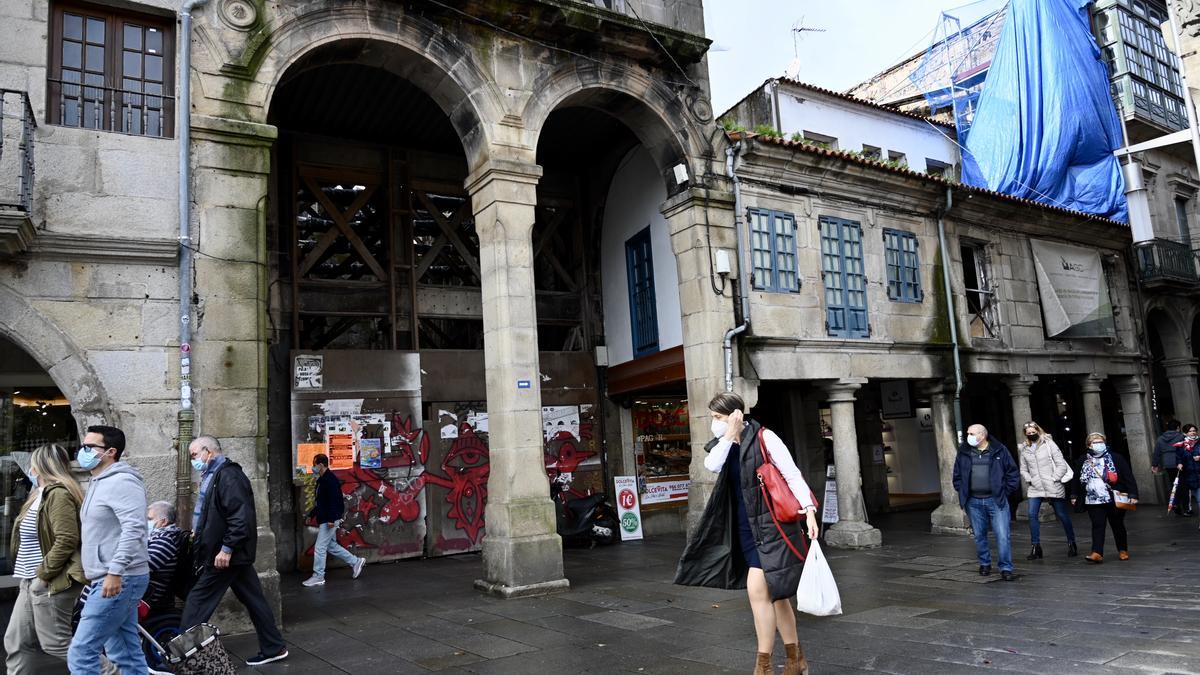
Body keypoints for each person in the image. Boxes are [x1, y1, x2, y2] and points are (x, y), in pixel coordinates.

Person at [675, 393, 819, 675]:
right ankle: (796, 660)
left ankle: (763, 666)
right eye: (713, 418)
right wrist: (728, 433)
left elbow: (791, 474)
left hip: (771, 524)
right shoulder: (725, 444)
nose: (714, 423)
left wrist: (809, 509)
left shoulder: (766, 438)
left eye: (718, 417)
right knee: (777, 596)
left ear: (736, 414)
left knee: (757, 590)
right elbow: (711, 466)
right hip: (743, 526)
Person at [181, 435, 288, 666]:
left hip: (224, 555)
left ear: (208, 451)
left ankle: (180, 657)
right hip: (227, 553)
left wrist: (226, 548)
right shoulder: (215, 475)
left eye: (194, 455)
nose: (193, 460)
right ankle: (274, 646)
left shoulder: (228, 475)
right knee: (254, 599)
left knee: (197, 601)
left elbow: (241, 517)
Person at [66, 425, 151, 674]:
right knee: (124, 652)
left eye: (90, 447)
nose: (83, 451)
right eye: (82, 446)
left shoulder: (122, 482)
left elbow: (134, 529)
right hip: (109, 577)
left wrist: (115, 571)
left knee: (81, 652)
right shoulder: (98, 482)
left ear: (110, 451)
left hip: (119, 578)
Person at [4, 444, 88, 673]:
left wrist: (42, 576)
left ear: (39, 466)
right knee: (17, 642)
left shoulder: (58, 494)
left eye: (31, 464)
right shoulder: (37, 495)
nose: (28, 469)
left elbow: (67, 539)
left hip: (50, 580)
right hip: (29, 580)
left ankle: (112, 672)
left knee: (56, 643)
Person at [952, 423, 1020, 581]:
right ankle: (984, 563)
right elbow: (957, 474)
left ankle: (1005, 567)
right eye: (968, 433)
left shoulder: (999, 450)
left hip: (996, 500)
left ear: (982, 435)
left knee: (1003, 535)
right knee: (979, 535)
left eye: (972, 433)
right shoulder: (963, 451)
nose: (968, 436)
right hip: (973, 501)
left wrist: (1005, 491)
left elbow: (1012, 473)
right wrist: (961, 489)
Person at [1071, 432, 1138, 563]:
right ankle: (1097, 552)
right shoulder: (1083, 460)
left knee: (1117, 525)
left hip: (1113, 497)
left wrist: (1133, 494)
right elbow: (1076, 478)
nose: (1098, 444)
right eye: (1095, 442)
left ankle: (1123, 550)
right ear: (1089, 445)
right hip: (1092, 499)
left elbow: (1127, 475)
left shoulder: (1116, 458)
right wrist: (1074, 495)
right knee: (1097, 525)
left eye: (1100, 442)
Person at [302, 453, 365, 587]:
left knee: (320, 547)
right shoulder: (323, 479)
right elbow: (321, 502)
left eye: (315, 464)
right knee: (331, 546)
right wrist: (311, 515)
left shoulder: (330, 480)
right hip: (327, 518)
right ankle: (355, 562)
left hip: (329, 520)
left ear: (321, 465)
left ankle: (318, 576)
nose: (313, 467)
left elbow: (335, 502)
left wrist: (331, 519)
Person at [1017, 421, 1077, 559]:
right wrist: (1029, 478)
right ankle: (1035, 547)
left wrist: (1054, 478)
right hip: (1035, 487)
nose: (1032, 435)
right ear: (1025, 434)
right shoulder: (1024, 448)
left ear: (1038, 431)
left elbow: (1061, 464)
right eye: (1029, 433)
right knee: (1032, 515)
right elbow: (1023, 468)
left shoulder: (1049, 444)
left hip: (1053, 485)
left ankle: (1071, 542)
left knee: (1062, 515)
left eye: (1034, 432)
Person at [1152, 419, 1189, 515]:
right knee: (1183, 486)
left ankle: (1175, 503)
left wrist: (1154, 465)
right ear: (1178, 428)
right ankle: (1186, 509)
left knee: (1174, 484)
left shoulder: (1160, 438)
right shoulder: (1181, 436)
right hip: (1179, 462)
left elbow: (1156, 453)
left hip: (1167, 463)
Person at [1173, 424, 1199, 517]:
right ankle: (1187, 508)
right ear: (1185, 433)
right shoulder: (1181, 445)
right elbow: (1178, 457)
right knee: (1186, 491)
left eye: (1194, 430)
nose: (1193, 432)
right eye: (1190, 431)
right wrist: (1179, 463)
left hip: (1198, 472)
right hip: (1188, 473)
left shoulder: (1199, 442)